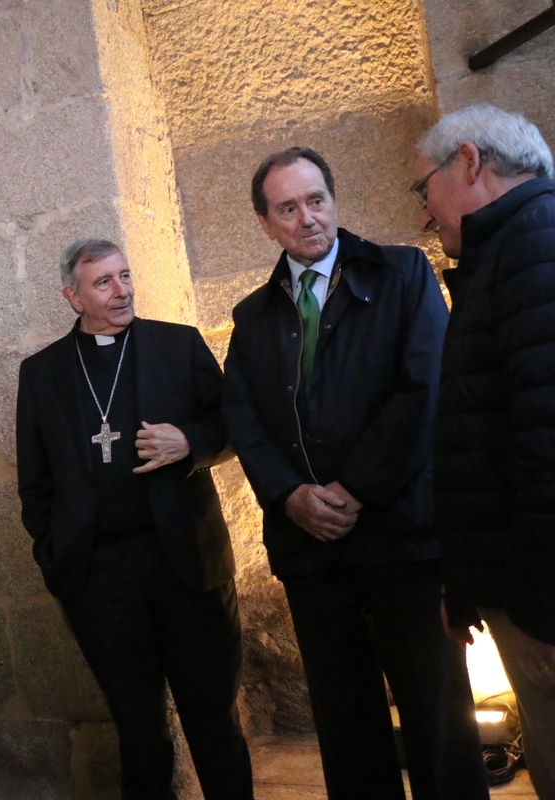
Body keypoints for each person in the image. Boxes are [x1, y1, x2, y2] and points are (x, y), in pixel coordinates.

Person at [223, 146, 489, 800]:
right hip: (313, 552)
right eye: (287, 208)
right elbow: (244, 419)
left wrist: (353, 489)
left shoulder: (403, 274)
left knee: (438, 719)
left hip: (402, 539)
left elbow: (423, 389)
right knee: (346, 727)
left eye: (316, 200)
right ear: (265, 223)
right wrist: (289, 495)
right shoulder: (252, 317)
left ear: (334, 200)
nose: (307, 218)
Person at [16, 239, 253, 799]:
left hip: (186, 566)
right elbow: (35, 481)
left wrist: (189, 442)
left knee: (212, 718)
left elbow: (233, 425)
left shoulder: (178, 344)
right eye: (103, 282)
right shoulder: (43, 372)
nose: (121, 291)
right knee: (138, 730)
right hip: (99, 579)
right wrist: (56, 554)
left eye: (124, 275)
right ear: (74, 297)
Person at [414, 104, 555, 798]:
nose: (424, 213)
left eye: (423, 188)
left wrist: (539, 612)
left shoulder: (536, 244)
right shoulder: (511, 247)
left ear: (469, 162)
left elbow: (546, 442)